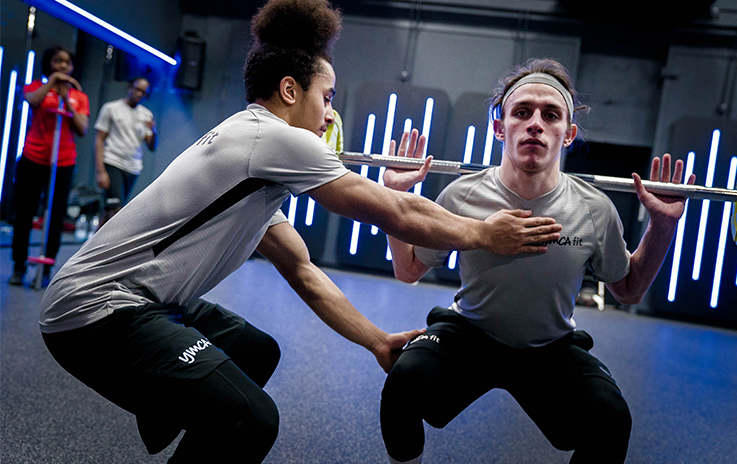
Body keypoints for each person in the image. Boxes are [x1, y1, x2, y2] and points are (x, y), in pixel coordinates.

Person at [38, 2, 563, 463]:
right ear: (290, 90)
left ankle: (172, 404)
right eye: (327, 98)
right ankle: (168, 397)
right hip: (97, 310)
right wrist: (483, 233)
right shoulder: (269, 137)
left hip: (147, 302)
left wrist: (377, 342)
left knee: (255, 351)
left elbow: (305, 272)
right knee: (253, 420)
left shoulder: (254, 164)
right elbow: (396, 211)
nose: (330, 114)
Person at [379, 58, 696, 464]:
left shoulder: (594, 209)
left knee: (611, 417)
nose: (535, 124)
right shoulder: (461, 196)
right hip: (469, 334)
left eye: (551, 115)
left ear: (568, 134)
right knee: (403, 382)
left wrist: (663, 226)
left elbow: (629, 289)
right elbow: (408, 270)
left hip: (550, 346)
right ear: (499, 127)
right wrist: (395, 198)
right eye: (522, 112)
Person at [9, 45, 89, 286]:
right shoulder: (36, 87)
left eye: (67, 62)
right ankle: (19, 266)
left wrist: (67, 97)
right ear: (50, 64)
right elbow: (32, 101)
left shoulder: (79, 96)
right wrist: (52, 82)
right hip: (33, 158)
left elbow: (82, 128)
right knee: (25, 213)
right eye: (58, 61)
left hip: (63, 162)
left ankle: (47, 268)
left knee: (55, 217)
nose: (63, 66)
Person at [94, 77, 158, 225]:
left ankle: (91, 247)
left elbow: (152, 147)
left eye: (143, 92)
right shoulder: (111, 108)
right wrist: (100, 171)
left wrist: (153, 131)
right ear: (129, 88)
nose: (139, 94)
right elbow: (99, 140)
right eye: (137, 89)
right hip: (112, 162)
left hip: (132, 168)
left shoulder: (146, 115)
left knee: (110, 210)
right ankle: (108, 248)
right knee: (116, 210)